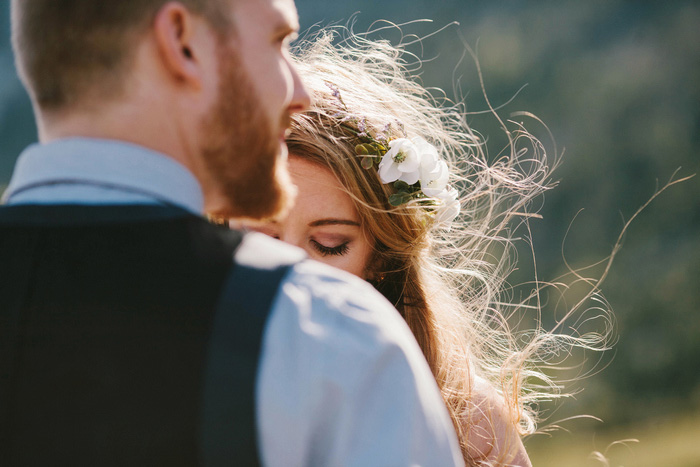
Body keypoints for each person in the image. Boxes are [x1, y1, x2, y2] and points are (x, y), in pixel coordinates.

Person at [0, 1, 463, 466]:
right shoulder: (328, 336)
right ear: (183, 42)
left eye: (329, 244)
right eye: (277, 42)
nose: (299, 91)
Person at [237, 30, 611, 466]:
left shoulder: (466, 417)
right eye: (262, 238)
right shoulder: (176, 383)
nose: (292, 269)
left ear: (378, 258)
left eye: (329, 245)